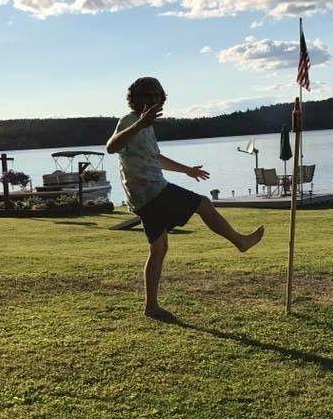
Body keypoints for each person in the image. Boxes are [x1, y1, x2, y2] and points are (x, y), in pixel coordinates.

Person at [106, 76, 264, 321]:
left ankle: (151, 307)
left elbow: (155, 158)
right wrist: (139, 124)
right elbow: (111, 147)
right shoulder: (130, 121)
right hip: (151, 191)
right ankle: (240, 241)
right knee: (203, 204)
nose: (153, 99)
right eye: (147, 95)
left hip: (143, 197)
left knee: (158, 249)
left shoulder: (146, 126)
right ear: (135, 98)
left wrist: (187, 170)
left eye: (157, 95)